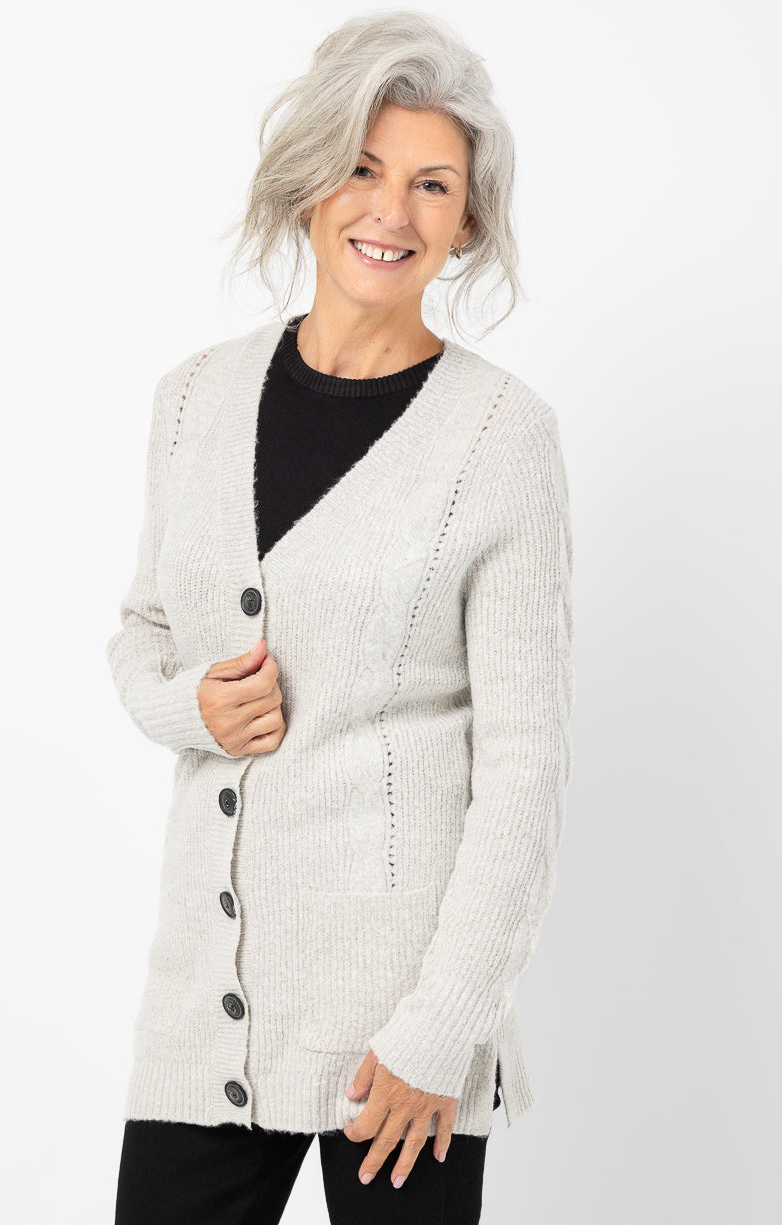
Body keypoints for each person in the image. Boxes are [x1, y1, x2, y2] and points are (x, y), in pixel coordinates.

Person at [105, 10, 575, 1224]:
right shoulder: (191, 401)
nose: (390, 211)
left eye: (431, 184)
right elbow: (142, 632)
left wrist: (441, 1028)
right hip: (201, 1010)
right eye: (363, 169)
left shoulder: (499, 437)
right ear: (311, 181)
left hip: (399, 1033)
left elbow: (522, 767)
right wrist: (190, 704)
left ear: (465, 221)